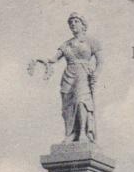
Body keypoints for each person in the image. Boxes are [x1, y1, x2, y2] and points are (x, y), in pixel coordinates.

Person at [44, 13, 103, 143]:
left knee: (81, 101)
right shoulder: (66, 44)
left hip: (83, 73)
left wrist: (96, 74)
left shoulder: (91, 41)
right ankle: (70, 134)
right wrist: (45, 61)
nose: (73, 24)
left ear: (83, 24)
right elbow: (54, 58)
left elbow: (100, 61)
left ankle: (83, 133)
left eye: (76, 21)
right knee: (68, 106)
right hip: (68, 75)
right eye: (71, 22)